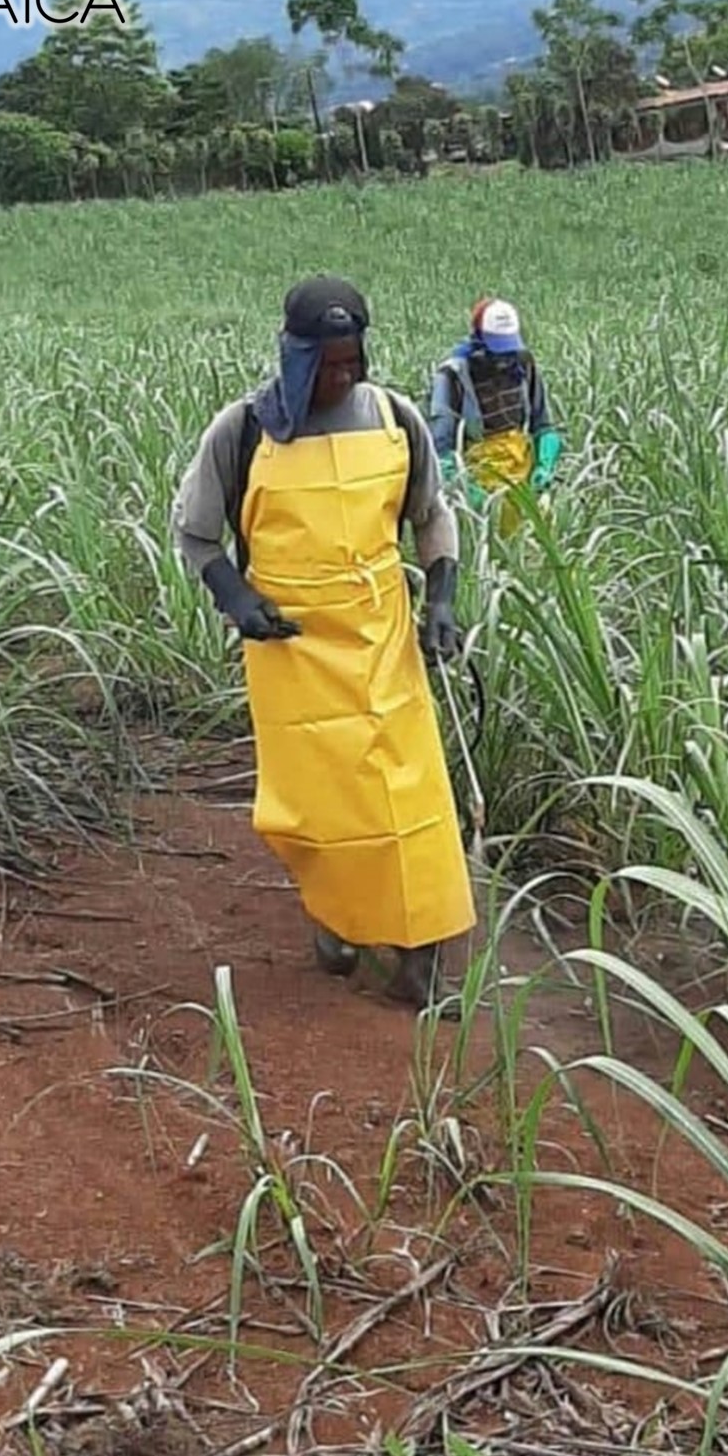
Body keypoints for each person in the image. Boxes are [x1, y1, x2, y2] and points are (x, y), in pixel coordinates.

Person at [171, 275, 476, 1016]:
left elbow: (431, 517)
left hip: (380, 639)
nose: (340, 377)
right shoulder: (242, 429)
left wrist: (439, 598)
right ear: (293, 352)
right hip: (291, 648)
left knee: (410, 799)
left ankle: (416, 959)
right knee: (319, 805)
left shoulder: (393, 417)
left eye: (350, 361)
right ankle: (334, 920)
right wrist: (236, 599)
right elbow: (193, 530)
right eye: (325, 363)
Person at [429, 297, 562, 535]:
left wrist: (545, 464)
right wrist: (464, 488)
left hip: (523, 469)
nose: (504, 359)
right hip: (479, 476)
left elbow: (543, 424)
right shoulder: (453, 375)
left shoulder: (524, 363)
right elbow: (441, 448)